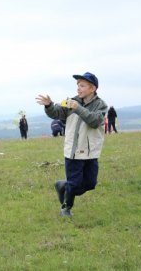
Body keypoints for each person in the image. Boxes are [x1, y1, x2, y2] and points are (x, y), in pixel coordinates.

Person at [36, 72, 107, 217]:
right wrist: (49, 105)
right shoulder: (70, 101)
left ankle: (62, 185)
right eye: (78, 86)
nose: (78, 89)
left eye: (82, 86)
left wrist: (78, 108)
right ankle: (66, 208)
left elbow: (94, 121)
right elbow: (56, 113)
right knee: (74, 183)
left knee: (90, 183)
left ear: (92, 88)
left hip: (91, 151)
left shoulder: (101, 105)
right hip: (73, 151)